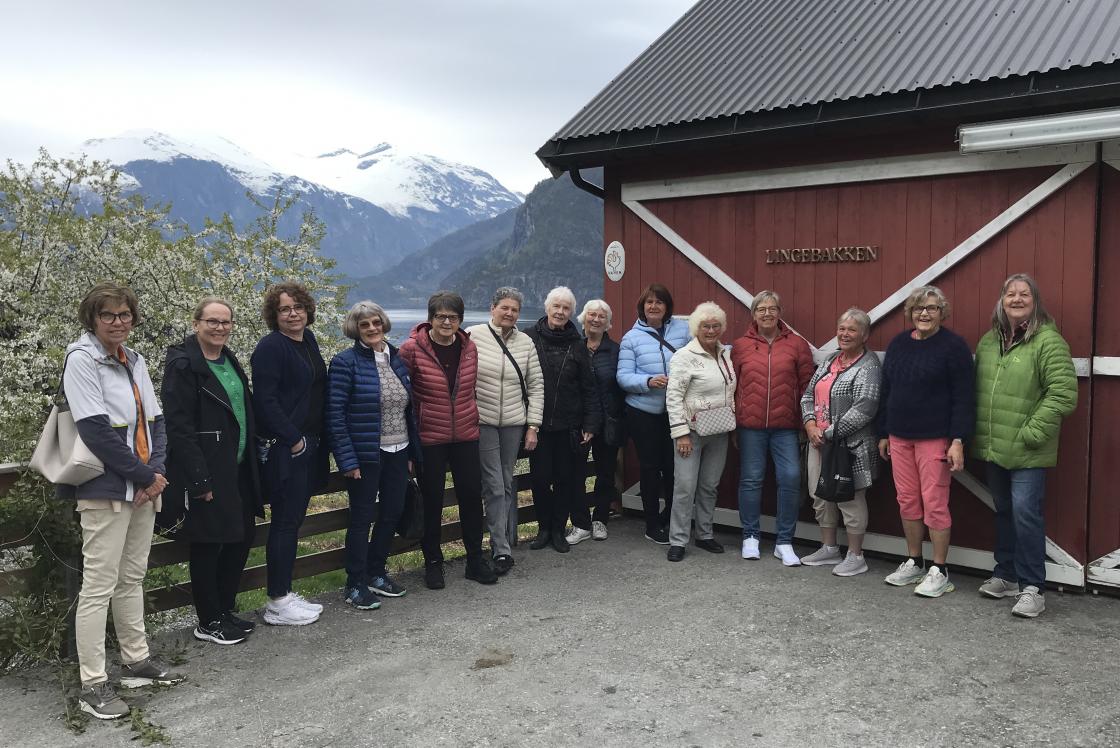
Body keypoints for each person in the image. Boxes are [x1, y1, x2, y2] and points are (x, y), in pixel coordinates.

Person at [64, 282, 183, 720]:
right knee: (97, 586)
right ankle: (92, 683)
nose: (119, 322)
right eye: (109, 315)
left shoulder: (135, 361)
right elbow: (95, 431)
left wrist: (157, 473)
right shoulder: (81, 360)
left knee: (131, 578)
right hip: (107, 489)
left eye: (125, 315)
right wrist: (145, 475)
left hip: (143, 487)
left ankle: (136, 661)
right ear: (93, 319)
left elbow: (158, 423)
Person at [973, 273, 1077, 618]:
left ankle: (1033, 586)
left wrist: (1032, 432)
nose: (1017, 299)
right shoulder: (989, 341)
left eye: (1024, 294)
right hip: (994, 446)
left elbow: (1063, 393)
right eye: (1010, 294)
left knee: (1025, 514)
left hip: (1029, 450)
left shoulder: (1049, 341)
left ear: (1035, 302)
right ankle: (1006, 575)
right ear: (1001, 300)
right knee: (1003, 511)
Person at [162, 298, 263, 645]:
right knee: (208, 543)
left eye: (225, 322)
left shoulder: (228, 359)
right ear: (196, 324)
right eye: (212, 322)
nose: (220, 328)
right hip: (208, 469)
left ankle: (224, 609)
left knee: (241, 535)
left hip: (237, 467)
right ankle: (208, 620)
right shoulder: (183, 365)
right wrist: (198, 477)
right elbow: (178, 427)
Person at [877, 286, 974, 598]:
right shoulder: (898, 344)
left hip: (935, 438)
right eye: (919, 308)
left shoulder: (953, 347)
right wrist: (883, 432)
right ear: (910, 312)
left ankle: (939, 569)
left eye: (932, 308)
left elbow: (964, 398)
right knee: (907, 499)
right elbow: (886, 391)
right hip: (899, 436)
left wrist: (958, 439)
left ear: (941, 312)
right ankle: (914, 560)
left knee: (935, 502)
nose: (924, 313)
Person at [399, 291, 498, 589]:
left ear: (460, 320)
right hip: (430, 437)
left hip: (466, 434)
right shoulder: (411, 350)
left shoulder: (469, 348)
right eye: (440, 316)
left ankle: (475, 560)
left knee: (470, 497)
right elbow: (404, 397)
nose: (446, 322)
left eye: (452, 317)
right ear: (430, 319)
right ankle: (433, 562)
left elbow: (468, 390)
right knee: (432, 501)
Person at [327, 301, 422, 607]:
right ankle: (354, 583)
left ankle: (376, 572)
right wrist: (347, 459)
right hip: (366, 455)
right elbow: (335, 415)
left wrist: (411, 451)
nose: (371, 328)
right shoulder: (345, 363)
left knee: (392, 512)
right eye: (364, 324)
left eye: (375, 322)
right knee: (361, 518)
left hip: (399, 449)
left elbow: (409, 410)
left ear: (383, 324)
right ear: (355, 329)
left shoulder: (396, 359)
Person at [252, 282, 329, 625]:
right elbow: (265, 401)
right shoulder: (271, 348)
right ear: (275, 315)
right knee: (284, 523)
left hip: (309, 444)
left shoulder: (307, 341)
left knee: (294, 520)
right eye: (284, 309)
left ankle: (284, 592)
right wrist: (294, 439)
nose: (293, 313)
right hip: (288, 449)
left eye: (298, 306)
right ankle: (277, 602)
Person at [730, 290, 814, 566]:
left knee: (790, 478)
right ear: (753, 314)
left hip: (786, 426)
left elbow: (806, 386)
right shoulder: (741, 345)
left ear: (780, 312)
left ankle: (784, 541)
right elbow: (732, 386)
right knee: (751, 479)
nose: (767, 313)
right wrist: (733, 424)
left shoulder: (797, 345)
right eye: (761, 309)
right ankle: (750, 536)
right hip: (750, 426)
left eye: (772, 308)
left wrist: (805, 422)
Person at [466, 288, 544, 574]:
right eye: (505, 308)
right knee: (495, 484)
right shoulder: (472, 336)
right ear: (492, 308)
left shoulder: (525, 343)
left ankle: (501, 542)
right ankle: (501, 548)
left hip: (513, 423)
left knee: (506, 481)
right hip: (482, 422)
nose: (510, 313)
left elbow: (536, 386)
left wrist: (533, 425)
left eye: (515, 310)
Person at [800, 308, 882, 577]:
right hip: (818, 440)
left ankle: (856, 555)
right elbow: (808, 395)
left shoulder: (868, 366)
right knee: (819, 494)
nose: (845, 334)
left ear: (865, 335)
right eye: (842, 329)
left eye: (852, 330)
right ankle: (829, 547)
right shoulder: (830, 360)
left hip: (849, 445)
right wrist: (811, 424)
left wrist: (829, 433)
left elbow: (865, 408)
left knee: (850, 497)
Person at [525, 287, 601, 552]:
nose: (560, 312)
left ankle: (558, 529)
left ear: (571, 313)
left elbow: (589, 388)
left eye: (566, 308)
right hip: (539, 425)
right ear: (547, 308)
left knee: (565, 480)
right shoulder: (530, 338)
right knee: (539, 478)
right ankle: (543, 528)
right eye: (556, 306)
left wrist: (590, 424)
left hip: (570, 426)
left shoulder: (577, 344)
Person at [616, 283, 691, 544]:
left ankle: (670, 517)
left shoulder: (683, 330)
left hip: (675, 411)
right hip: (643, 412)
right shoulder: (631, 338)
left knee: (674, 468)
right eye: (649, 302)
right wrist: (648, 381)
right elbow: (623, 377)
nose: (654, 306)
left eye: (659, 302)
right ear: (642, 307)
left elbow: (701, 354)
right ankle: (651, 524)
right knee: (649, 468)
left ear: (667, 306)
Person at [664, 302, 736, 561]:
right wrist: (681, 433)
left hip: (719, 430)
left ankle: (704, 534)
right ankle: (678, 540)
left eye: (716, 325)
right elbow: (673, 397)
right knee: (685, 486)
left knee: (709, 485)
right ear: (696, 328)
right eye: (706, 326)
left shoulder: (725, 354)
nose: (711, 330)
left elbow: (730, 392)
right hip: (691, 432)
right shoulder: (685, 356)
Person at [566, 299, 625, 544]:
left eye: (602, 316)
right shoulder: (574, 347)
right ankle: (581, 523)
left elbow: (621, 386)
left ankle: (600, 519)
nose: (596, 319)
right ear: (583, 318)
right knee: (575, 473)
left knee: (605, 473)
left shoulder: (616, 350)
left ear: (608, 322)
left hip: (608, 421)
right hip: (578, 422)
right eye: (592, 315)